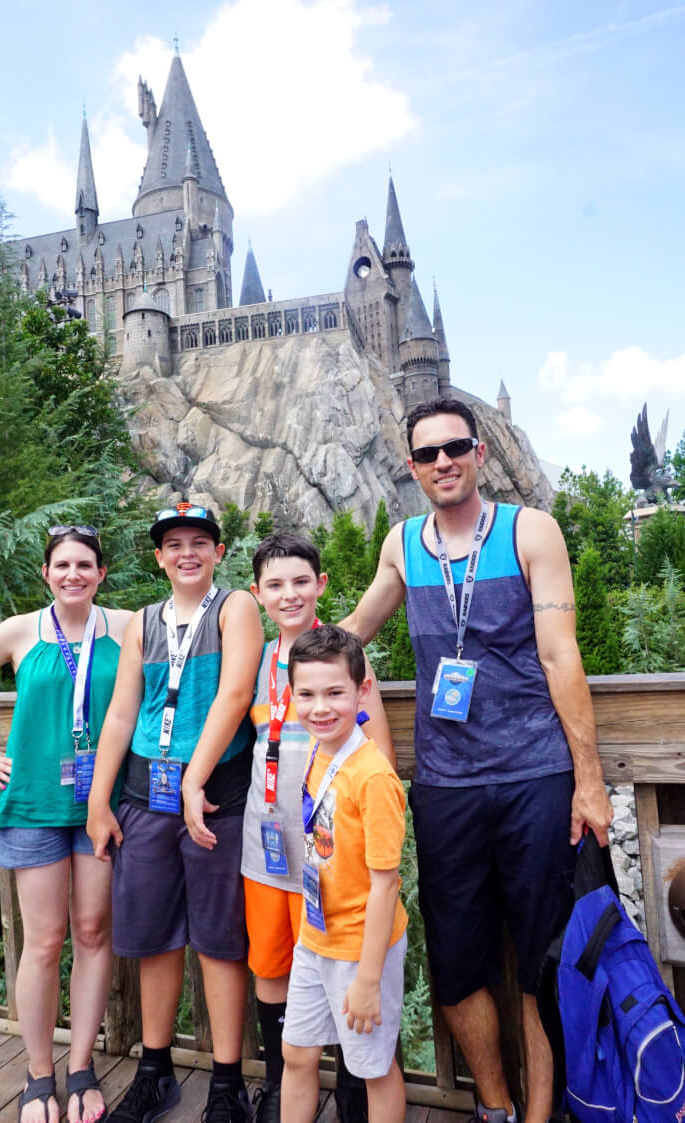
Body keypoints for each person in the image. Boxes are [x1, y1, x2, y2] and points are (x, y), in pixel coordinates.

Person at [341, 398, 613, 1123]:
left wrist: (588, 779)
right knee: (459, 961)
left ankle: (542, 1111)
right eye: (427, 454)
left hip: (535, 776)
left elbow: (562, 656)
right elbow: (353, 636)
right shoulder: (402, 545)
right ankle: (494, 1105)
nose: (443, 462)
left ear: (480, 452)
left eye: (455, 447)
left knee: (543, 955)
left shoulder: (530, 531)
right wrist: (275, 657)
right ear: (412, 467)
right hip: (445, 784)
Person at [0, 526, 133, 1123]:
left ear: (101, 573)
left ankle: (81, 1068)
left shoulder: (127, 628)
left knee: (94, 934)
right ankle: (38, 1074)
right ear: (46, 574)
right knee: (45, 943)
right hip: (33, 805)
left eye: (85, 565)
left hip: (102, 805)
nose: (74, 574)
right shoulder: (22, 630)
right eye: (62, 565)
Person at [86, 502, 264, 1123]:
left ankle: (225, 1084)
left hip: (218, 795)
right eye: (174, 544)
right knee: (155, 937)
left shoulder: (235, 607)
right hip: (146, 795)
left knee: (220, 939)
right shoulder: (142, 621)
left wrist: (195, 778)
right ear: (159, 557)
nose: (187, 552)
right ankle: (154, 1070)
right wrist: (98, 800)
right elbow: (120, 713)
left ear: (218, 552)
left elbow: (237, 694)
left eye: (199, 542)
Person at [244, 534, 396, 1123]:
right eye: (275, 585)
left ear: (322, 585)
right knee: (276, 968)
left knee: (349, 982)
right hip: (268, 848)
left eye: (300, 581)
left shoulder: (343, 658)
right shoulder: (255, 658)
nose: (289, 594)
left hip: (338, 864)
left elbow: (376, 753)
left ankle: (355, 1095)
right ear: (258, 594)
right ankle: (282, 1092)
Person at [279, 624, 408, 1123]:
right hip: (315, 938)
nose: (320, 707)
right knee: (297, 1053)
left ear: (363, 690)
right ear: (292, 696)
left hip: (361, 949)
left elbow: (385, 883)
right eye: (307, 694)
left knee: (373, 1069)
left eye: (335, 692)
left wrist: (369, 979)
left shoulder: (373, 777)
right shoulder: (321, 750)